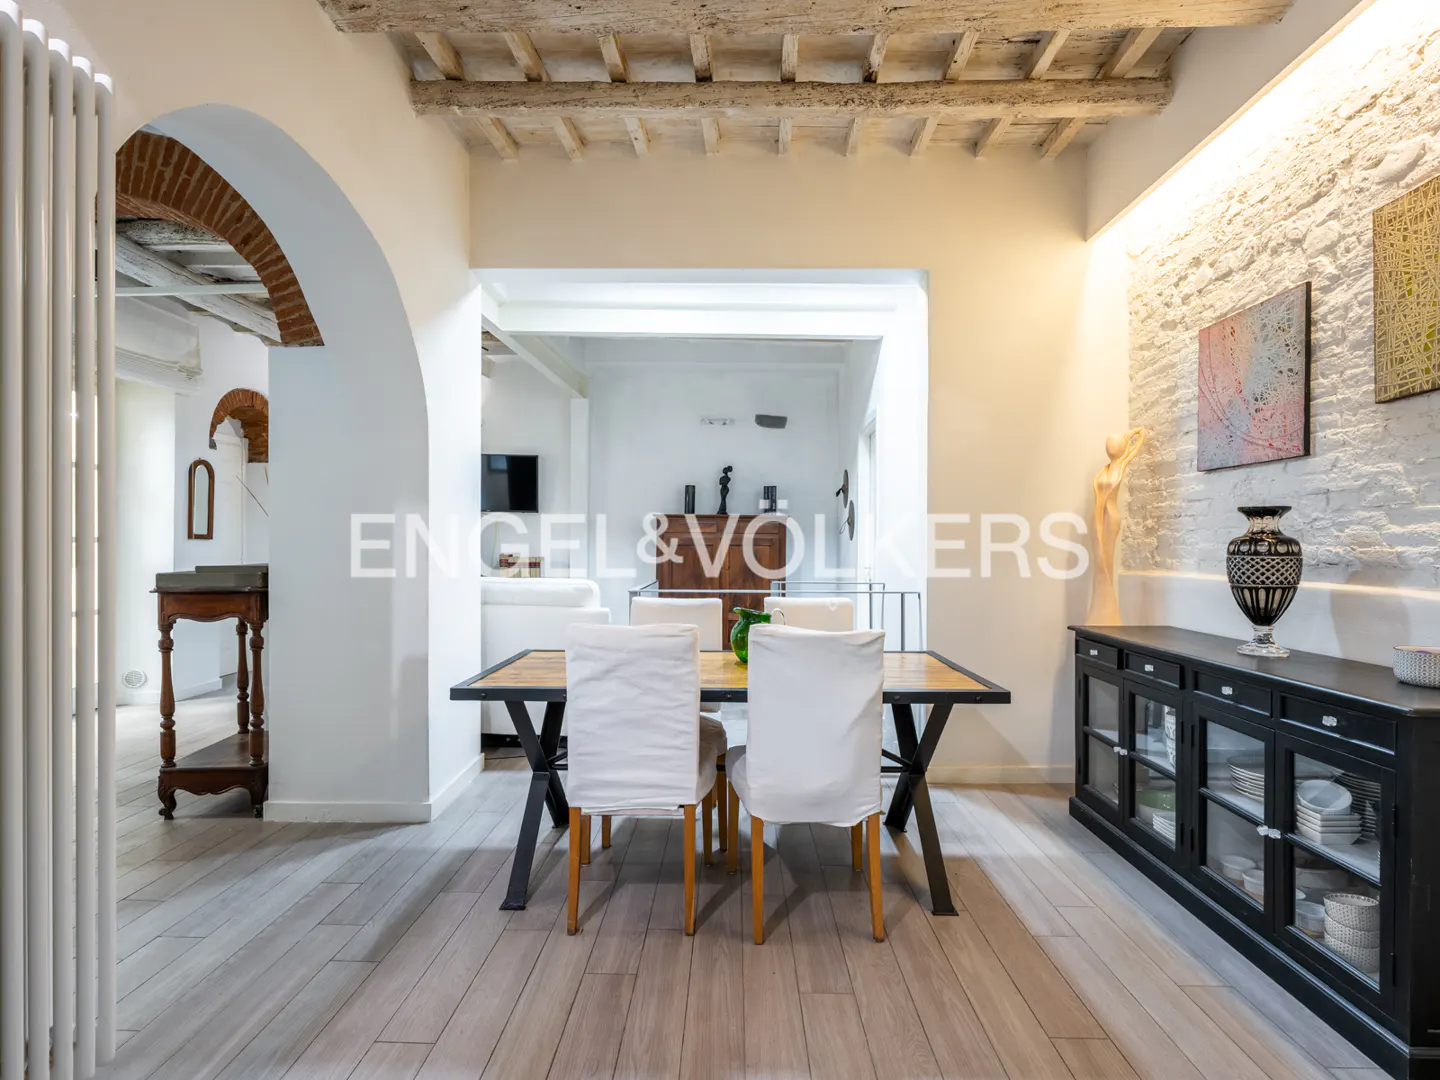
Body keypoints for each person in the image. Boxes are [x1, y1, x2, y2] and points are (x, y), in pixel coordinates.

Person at [1088, 428, 1146, 625]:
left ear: (1122, 447)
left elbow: (1141, 434)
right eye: (1108, 444)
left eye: (1113, 443)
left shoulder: (1122, 463)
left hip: (1111, 516)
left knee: (1106, 562)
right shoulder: (1105, 469)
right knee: (1099, 562)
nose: (1109, 447)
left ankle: (1107, 614)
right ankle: (1099, 612)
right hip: (1097, 517)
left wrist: (1129, 436)